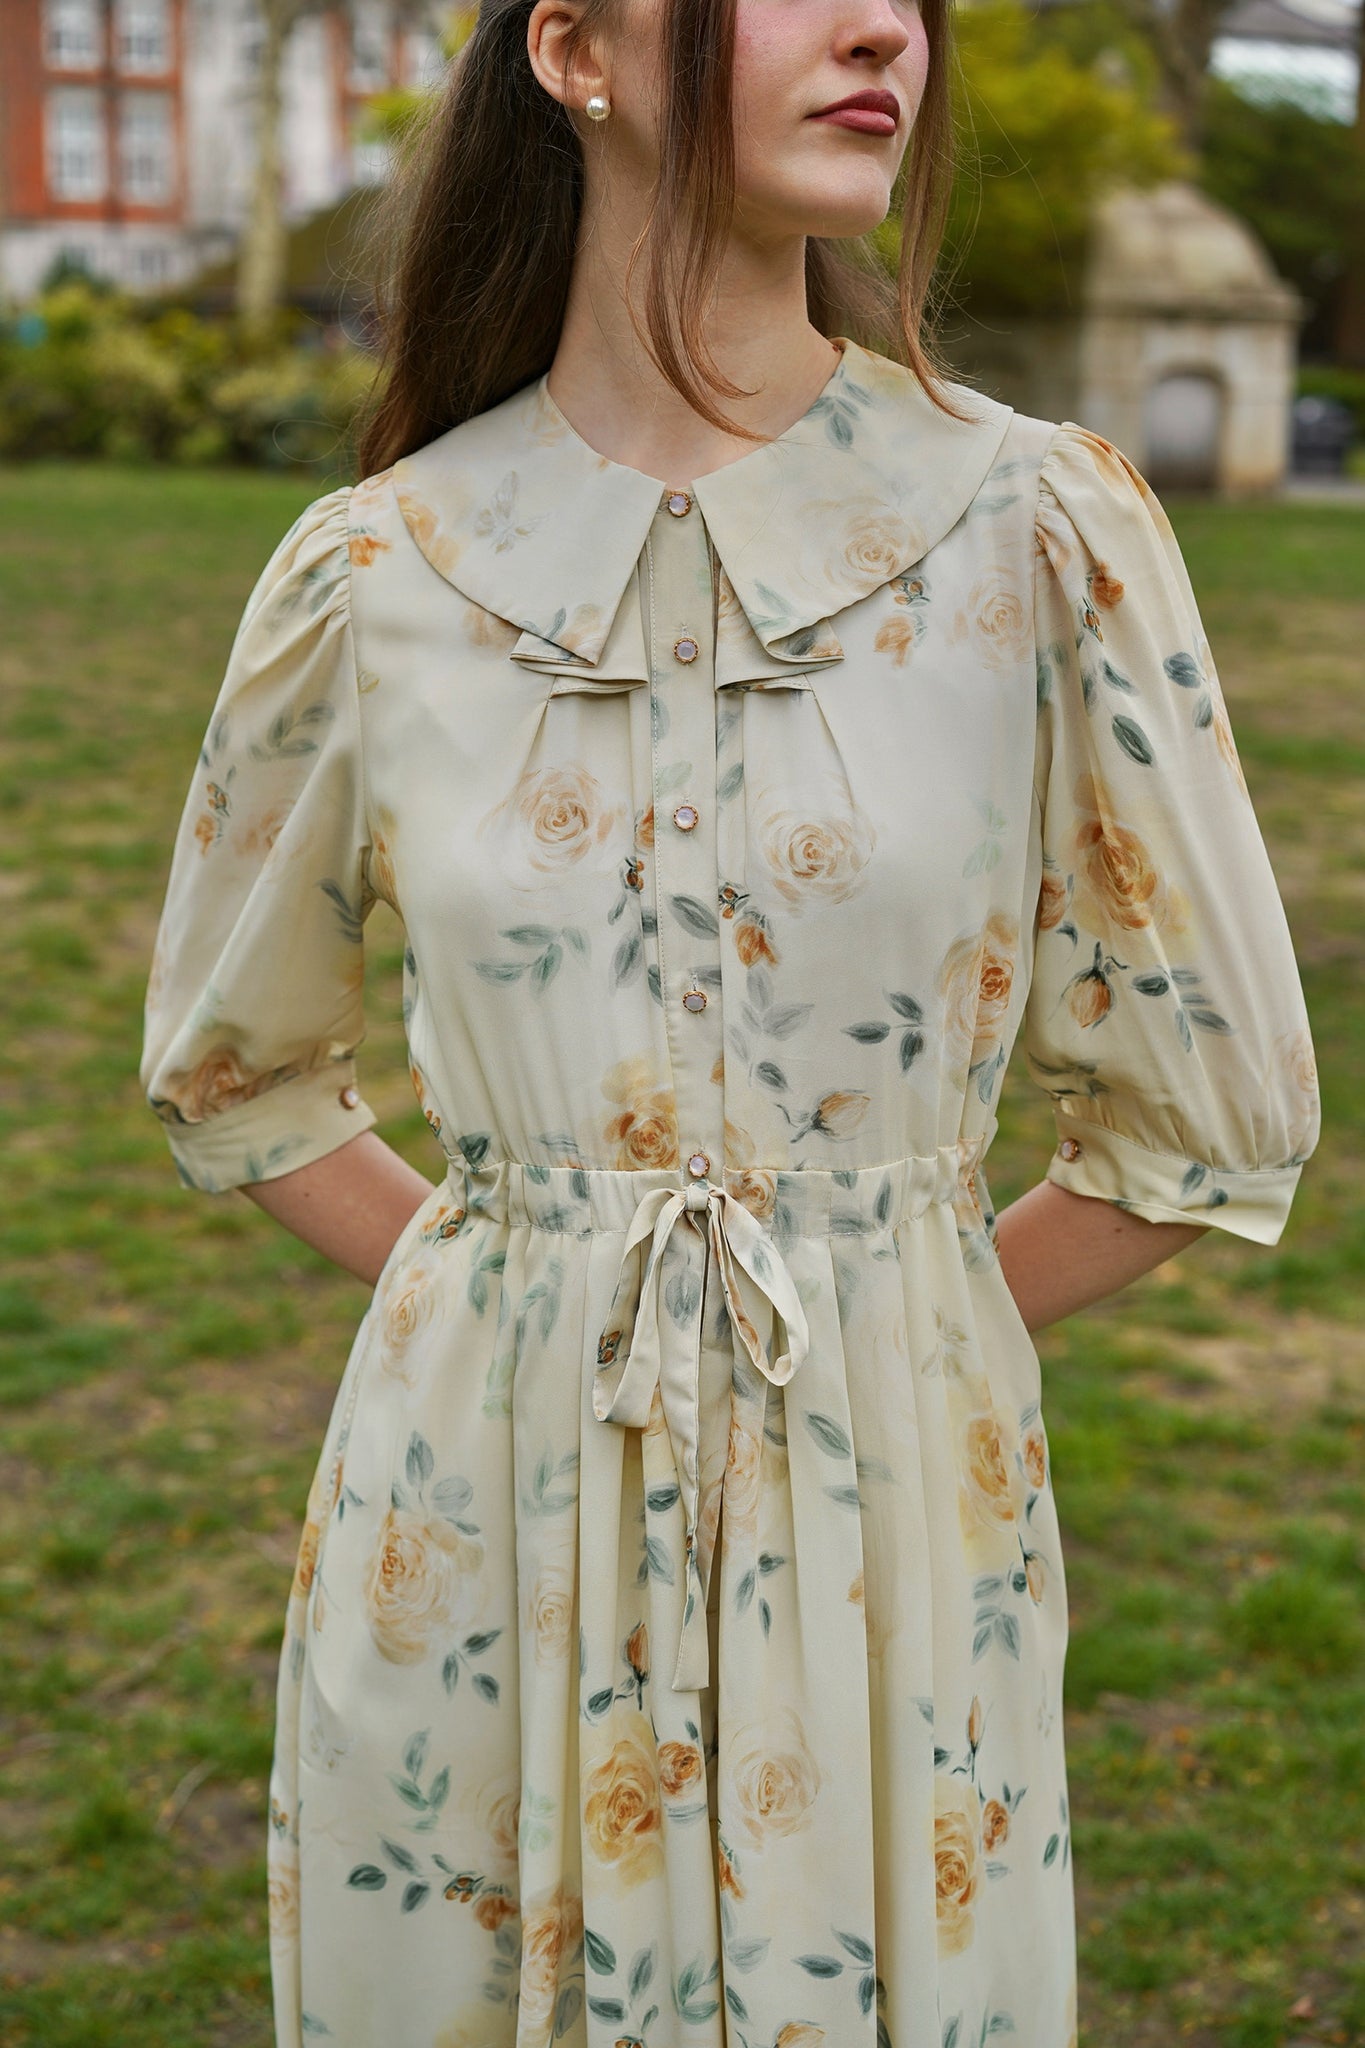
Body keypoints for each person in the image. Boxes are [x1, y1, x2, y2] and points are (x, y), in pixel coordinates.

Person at [138, 0, 1322, 2035]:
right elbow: (233, 1068)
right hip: (476, 1517)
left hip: (893, 1529)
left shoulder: (1034, 533)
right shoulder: (380, 571)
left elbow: (1205, 1114)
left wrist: (888, 1307)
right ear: (575, 49)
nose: (883, 31)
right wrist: (518, 1291)